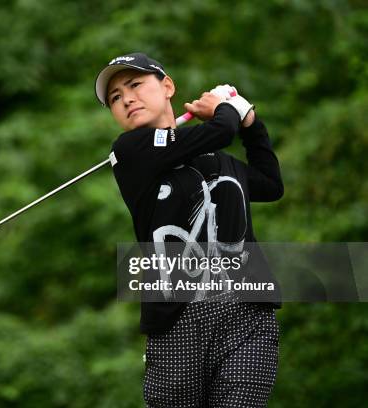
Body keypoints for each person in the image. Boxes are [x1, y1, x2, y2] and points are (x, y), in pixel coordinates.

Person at [94, 53, 284, 407]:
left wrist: (252, 122)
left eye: (135, 85)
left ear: (167, 87)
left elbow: (272, 185)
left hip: (246, 313)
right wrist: (226, 108)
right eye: (116, 98)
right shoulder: (131, 151)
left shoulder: (220, 160)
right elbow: (220, 130)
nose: (127, 99)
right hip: (176, 324)